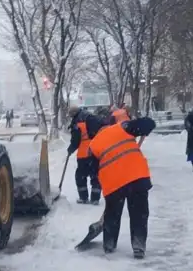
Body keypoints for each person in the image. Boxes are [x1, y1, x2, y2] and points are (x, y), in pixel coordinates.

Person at [84, 117, 157, 259]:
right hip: (137, 177)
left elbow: (92, 172)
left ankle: (109, 245)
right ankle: (138, 245)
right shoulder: (121, 128)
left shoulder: (92, 146)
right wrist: (147, 128)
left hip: (114, 184)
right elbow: (147, 123)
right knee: (139, 213)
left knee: (112, 214)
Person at [67, 106, 105, 204]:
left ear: (73, 114)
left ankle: (83, 198)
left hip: (84, 153)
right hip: (96, 152)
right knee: (95, 175)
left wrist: (70, 149)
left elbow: (76, 140)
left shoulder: (77, 122)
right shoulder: (91, 118)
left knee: (80, 176)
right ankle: (95, 199)